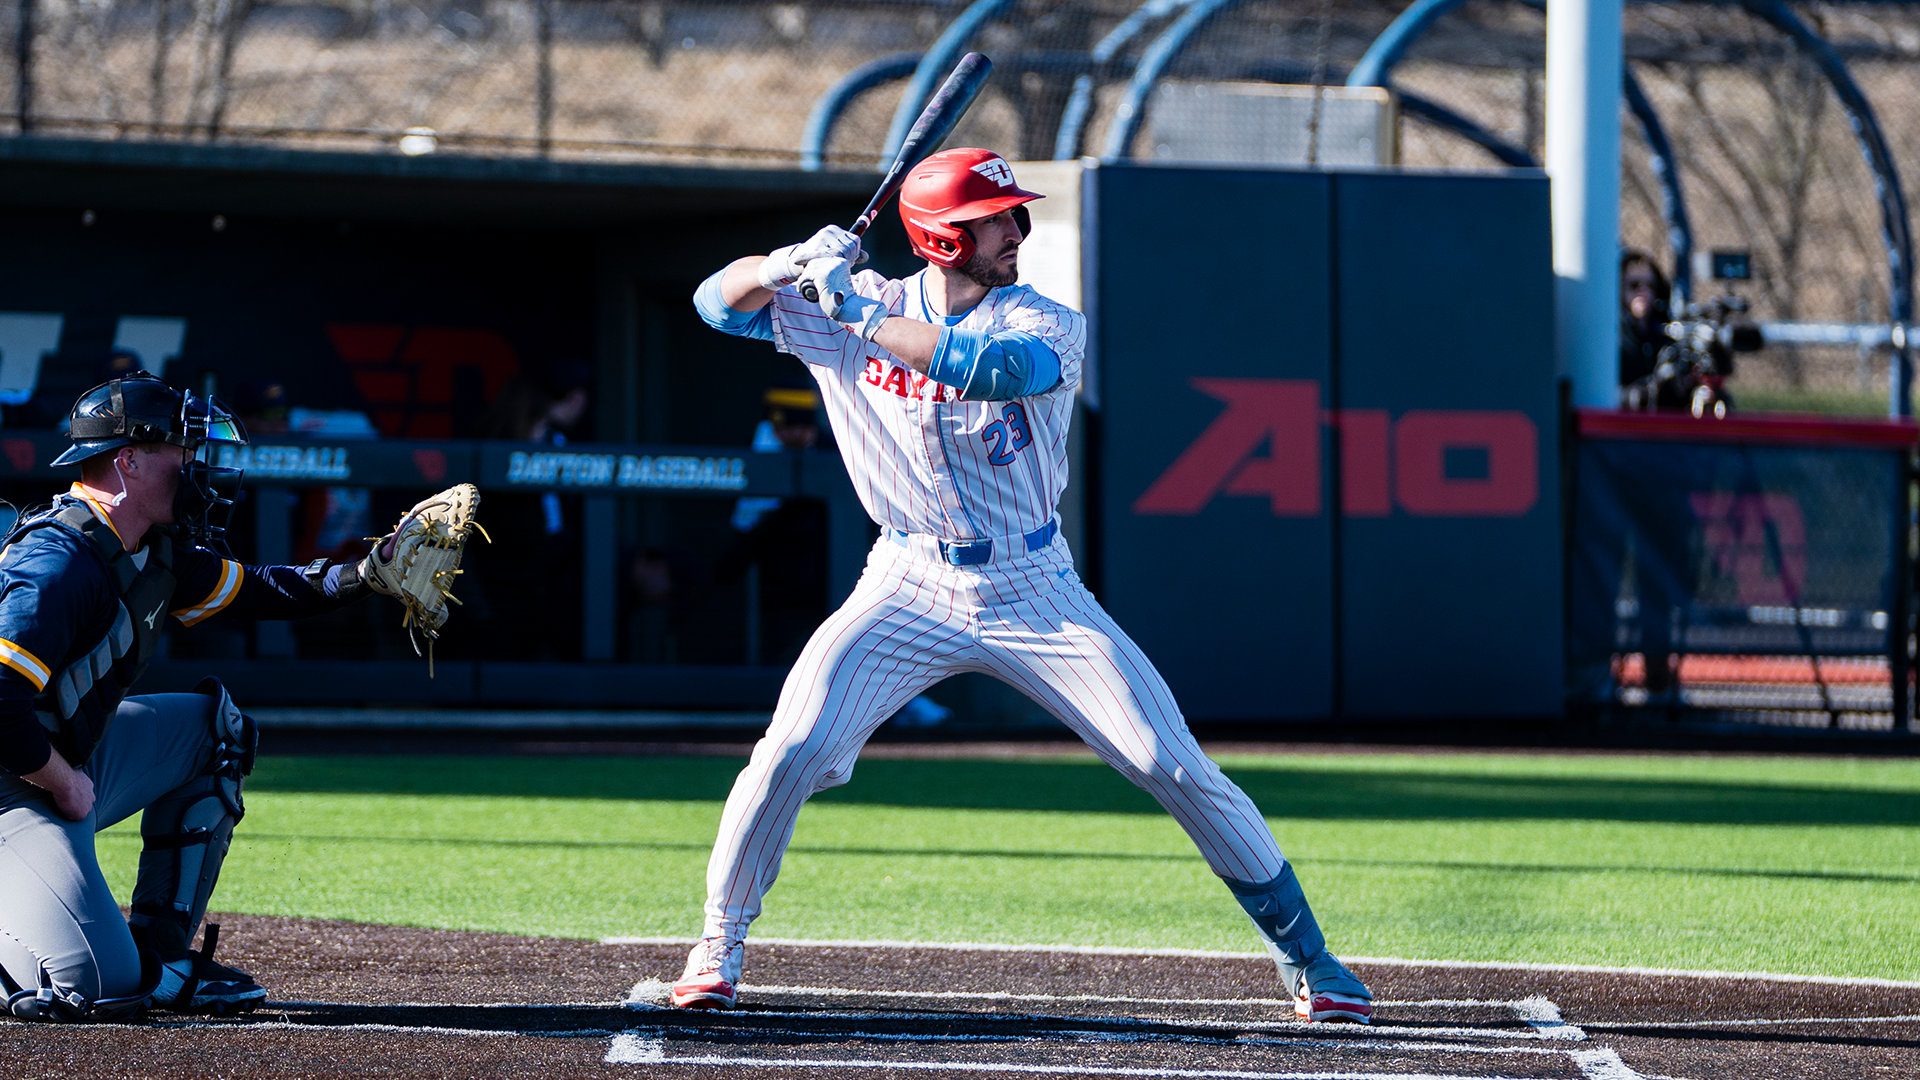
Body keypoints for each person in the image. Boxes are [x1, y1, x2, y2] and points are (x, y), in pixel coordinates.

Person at [680, 148, 1373, 1024]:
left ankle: (1311, 959)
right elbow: (714, 305)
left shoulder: (1043, 323)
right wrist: (782, 267)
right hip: (905, 580)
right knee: (790, 751)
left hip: (1032, 584)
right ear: (940, 238)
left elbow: (989, 372)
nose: (1015, 230)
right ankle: (718, 943)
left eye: (1012, 214)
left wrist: (848, 304)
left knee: (1169, 761)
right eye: (994, 219)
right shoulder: (851, 308)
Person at [0, 372, 383, 1021]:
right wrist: (62, 780)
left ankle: (162, 948)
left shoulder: (151, 547)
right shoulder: (57, 563)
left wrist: (369, 572)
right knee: (101, 985)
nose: (195, 465)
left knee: (215, 729)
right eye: (181, 449)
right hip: (16, 781)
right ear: (128, 460)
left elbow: (261, 589)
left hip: (58, 762)